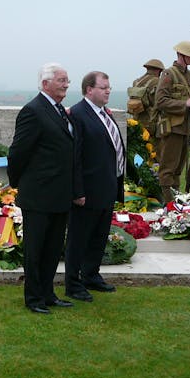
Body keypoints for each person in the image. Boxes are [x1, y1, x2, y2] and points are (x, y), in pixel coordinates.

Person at [7, 63, 76, 314]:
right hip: (38, 194)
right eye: (61, 80)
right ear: (45, 83)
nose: (66, 84)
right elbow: (17, 152)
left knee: (53, 249)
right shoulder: (33, 111)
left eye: (67, 80)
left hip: (59, 194)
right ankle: (34, 298)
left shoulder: (59, 111)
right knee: (36, 250)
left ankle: (48, 293)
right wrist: (18, 183)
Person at [65, 71, 125, 301]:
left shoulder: (104, 113)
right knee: (79, 239)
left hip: (107, 186)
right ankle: (73, 283)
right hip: (87, 190)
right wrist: (77, 191)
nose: (108, 90)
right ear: (89, 90)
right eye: (103, 87)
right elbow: (75, 157)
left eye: (109, 87)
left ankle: (91, 274)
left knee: (99, 236)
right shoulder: (79, 114)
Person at [155, 41, 190, 203]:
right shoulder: (168, 75)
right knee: (167, 169)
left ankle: (175, 201)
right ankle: (169, 204)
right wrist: (185, 104)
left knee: (178, 170)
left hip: (186, 129)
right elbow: (160, 101)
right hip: (172, 129)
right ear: (181, 55)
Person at [128, 59, 165, 157]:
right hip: (152, 122)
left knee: (140, 150)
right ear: (158, 70)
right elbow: (159, 103)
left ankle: (139, 168)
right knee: (154, 150)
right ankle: (153, 171)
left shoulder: (136, 82)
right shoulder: (157, 82)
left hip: (136, 121)